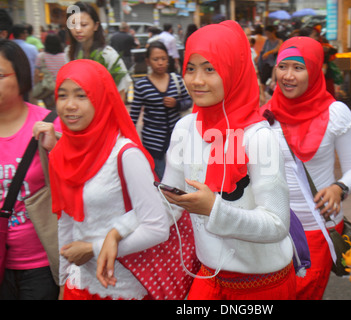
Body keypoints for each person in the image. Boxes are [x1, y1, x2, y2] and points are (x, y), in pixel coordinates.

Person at [161, 20, 295, 300]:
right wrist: (113, 233)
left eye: (210, 69)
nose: (197, 80)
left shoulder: (259, 137)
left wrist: (214, 209)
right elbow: (167, 206)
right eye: (191, 68)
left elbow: (277, 224)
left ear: (234, 70)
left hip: (263, 286)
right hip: (209, 279)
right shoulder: (185, 129)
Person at [33, 59, 170, 300]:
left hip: (122, 288)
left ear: (101, 98)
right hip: (78, 284)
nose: (70, 105)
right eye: (62, 96)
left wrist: (93, 249)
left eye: (82, 96)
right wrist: (64, 282)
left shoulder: (125, 154)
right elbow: (65, 221)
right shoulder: (63, 152)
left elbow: (157, 227)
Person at [261, 36, 351, 300]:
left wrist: (338, 188)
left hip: (317, 229)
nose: (288, 76)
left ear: (315, 70)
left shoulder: (335, 113)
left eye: (299, 68)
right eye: (283, 67)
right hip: (273, 230)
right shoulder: (264, 115)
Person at [0, 39, 61, 300]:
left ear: (21, 77)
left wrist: (57, 150)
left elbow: (75, 185)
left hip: (40, 264)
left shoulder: (48, 123)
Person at [129, 41, 192, 180]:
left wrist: (177, 104)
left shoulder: (176, 80)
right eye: (155, 59)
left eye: (164, 59)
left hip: (177, 139)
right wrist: (128, 138)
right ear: (148, 61)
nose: (160, 63)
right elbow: (134, 114)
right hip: (153, 141)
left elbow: (189, 101)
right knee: (162, 180)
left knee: (180, 176)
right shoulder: (141, 85)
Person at [65, 1, 131, 102]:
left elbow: (121, 90)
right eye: (73, 25)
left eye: (84, 25)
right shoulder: (69, 53)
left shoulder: (107, 54)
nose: (78, 30)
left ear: (96, 26)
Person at [34, 34, 66, 110]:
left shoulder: (41, 56)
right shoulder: (65, 56)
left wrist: (37, 84)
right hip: (62, 86)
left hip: (47, 87)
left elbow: (36, 73)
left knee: (50, 110)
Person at [257, 25, 282, 104]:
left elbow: (277, 49)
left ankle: (275, 99)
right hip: (267, 63)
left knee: (275, 82)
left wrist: (268, 52)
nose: (267, 35)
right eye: (266, 34)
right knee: (263, 80)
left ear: (273, 32)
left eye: (268, 33)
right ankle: (262, 97)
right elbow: (263, 51)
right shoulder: (267, 41)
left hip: (275, 64)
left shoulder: (279, 41)